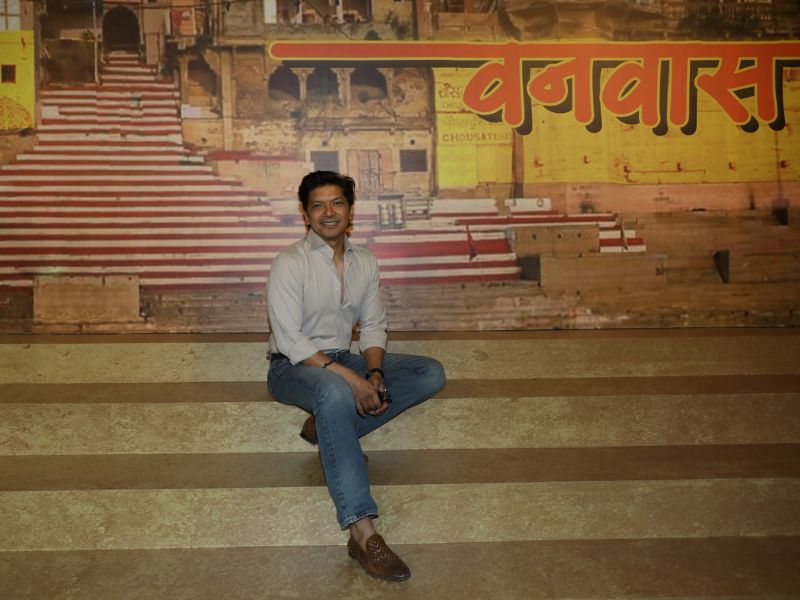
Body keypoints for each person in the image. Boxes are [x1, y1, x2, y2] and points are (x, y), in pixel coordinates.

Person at [266, 171, 446, 582]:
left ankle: (329, 425)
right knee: (334, 393)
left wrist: (376, 372)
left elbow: (374, 325)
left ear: (350, 210)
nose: (328, 212)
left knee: (428, 371)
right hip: (292, 366)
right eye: (317, 205)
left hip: (342, 358)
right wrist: (353, 380)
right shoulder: (290, 261)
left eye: (337, 203)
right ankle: (363, 533)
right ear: (306, 214)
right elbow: (290, 340)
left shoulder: (365, 261)